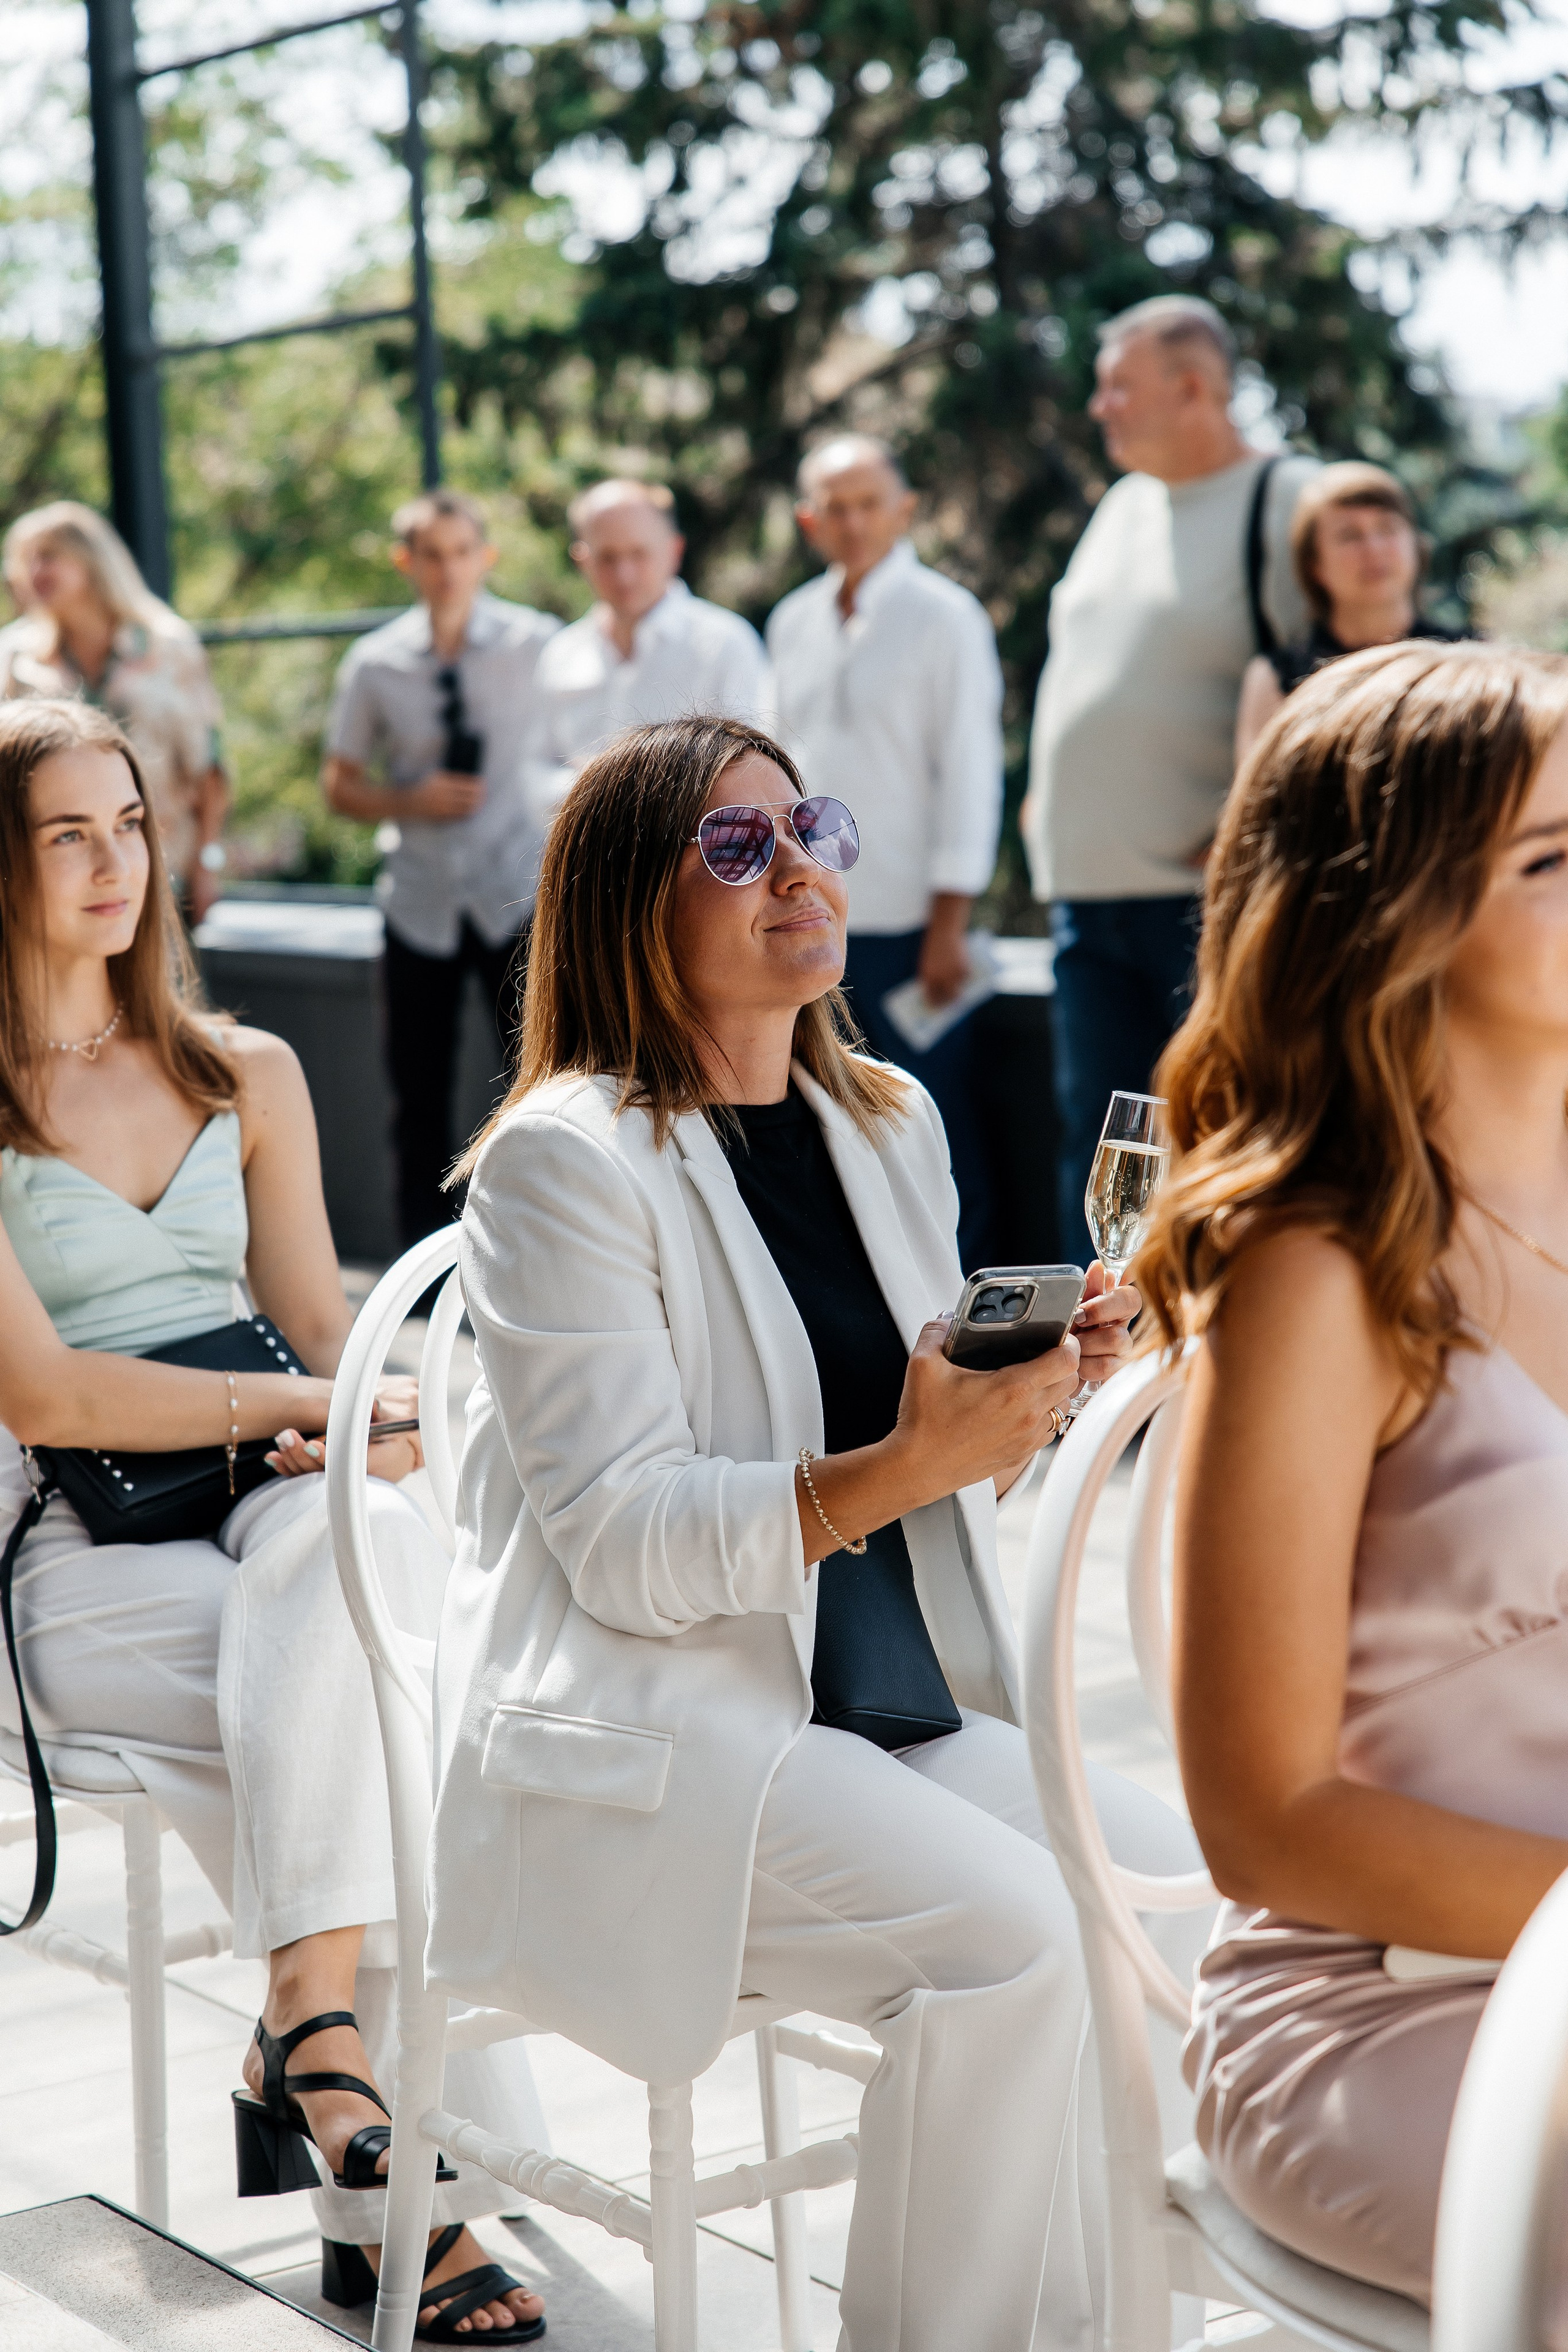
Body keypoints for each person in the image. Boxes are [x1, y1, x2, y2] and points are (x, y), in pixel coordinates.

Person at [424, 714, 1206, 2351]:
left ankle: (1093, 2329)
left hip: (872, 1702)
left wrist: (1031, 1404)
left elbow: (933, 1481)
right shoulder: (563, 1167)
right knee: (1016, 1948)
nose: (795, 866)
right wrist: (911, 1463)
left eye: (808, 826)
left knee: (1168, 1894)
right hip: (653, 1737)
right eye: (733, 846)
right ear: (634, 907)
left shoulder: (887, 1123)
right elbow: (628, 1545)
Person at [0, 698, 547, 2342]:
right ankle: (396, 2206)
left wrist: (373, 1420)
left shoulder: (248, 1069)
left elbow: (321, 1319)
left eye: (133, 823)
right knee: (377, 1686)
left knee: (355, 1581)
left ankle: (312, 2038)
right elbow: (50, 1399)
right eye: (67, 834)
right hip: (73, 1555)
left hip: (269, 1511)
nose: (117, 863)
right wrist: (295, 1411)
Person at [1133, 641, 1568, 2307]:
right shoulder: (1317, 1271)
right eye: (1552, 855)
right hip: (1392, 2012)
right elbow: (1266, 1819)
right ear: (1399, 912)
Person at [1021, 296, 1319, 1251]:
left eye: (1120, 388)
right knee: (1103, 1160)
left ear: (1194, 387)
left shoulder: (1287, 502)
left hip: (1196, 904)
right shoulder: (1122, 504)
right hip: (1085, 896)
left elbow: (1325, 688)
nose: (1099, 407)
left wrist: (1242, 823)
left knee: (1212, 1141)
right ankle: (1100, 1386)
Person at [766, 437, 1004, 1268]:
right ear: (809, 520)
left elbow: (970, 773)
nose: (854, 521)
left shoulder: (947, 616)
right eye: (835, 506)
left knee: (927, 1123)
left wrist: (951, 920)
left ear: (904, 510)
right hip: (809, 910)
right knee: (822, 1115)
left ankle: (958, 1310)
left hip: (911, 919)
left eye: (870, 503)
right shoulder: (792, 621)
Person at [323, 489, 560, 1252]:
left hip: (517, 893)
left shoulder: (539, 644)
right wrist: (408, 798)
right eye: (432, 554)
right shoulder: (375, 662)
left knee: (541, 1082)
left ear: (485, 556)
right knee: (416, 1097)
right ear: (407, 563)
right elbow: (339, 784)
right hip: (420, 901)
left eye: (463, 551)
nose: (450, 569)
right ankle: (422, 1273)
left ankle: (544, 1249)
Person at [0, 502, 229, 921]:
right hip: (54, 884)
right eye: (25, 561)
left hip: (163, 869)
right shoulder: (14, 656)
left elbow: (208, 769)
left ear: (92, 558)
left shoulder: (170, 646)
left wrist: (206, 863)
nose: (34, 572)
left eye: (48, 556)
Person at [519, 477, 771, 816]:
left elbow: (753, 769)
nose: (625, 575)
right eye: (608, 558)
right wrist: (582, 791)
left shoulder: (725, 645)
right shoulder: (561, 654)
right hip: (585, 863)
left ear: (674, 551)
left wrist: (611, 787)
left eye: (639, 554)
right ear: (582, 560)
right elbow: (535, 770)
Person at [1234, 461, 1466, 761]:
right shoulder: (1275, 681)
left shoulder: (1471, 657)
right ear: (1314, 565)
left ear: (1416, 544)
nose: (1373, 548)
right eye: (1350, 536)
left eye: (1387, 528)